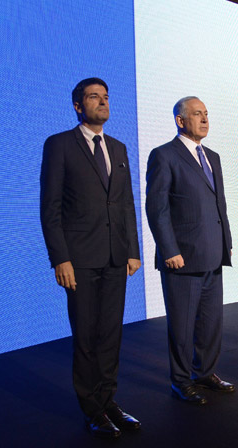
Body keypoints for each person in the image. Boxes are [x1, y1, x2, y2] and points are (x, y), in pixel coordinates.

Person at [40, 77, 142, 439]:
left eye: (106, 97)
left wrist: (133, 250)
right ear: (78, 105)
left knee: (111, 334)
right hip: (79, 259)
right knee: (86, 335)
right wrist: (59, 259)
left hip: (116, 256)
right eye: (94, 97)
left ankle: (108, 400)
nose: (102, 102)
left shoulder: (118, 147)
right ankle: (92, 409)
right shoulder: (59, 145)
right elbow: (50, 207)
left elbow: (126, 203)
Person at [145, 96, 234, 405]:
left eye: (207, 113)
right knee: (182, 327)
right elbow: (157, 208)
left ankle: (205, 372)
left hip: (213, 254)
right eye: (197, 114)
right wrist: (169, 249)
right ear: (180, 121)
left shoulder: (213, 156)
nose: (205, 119)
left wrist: (226, 244)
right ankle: (181, 381)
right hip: (181, 258)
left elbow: (217, 205)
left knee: (211, 323)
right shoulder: (164, 155)